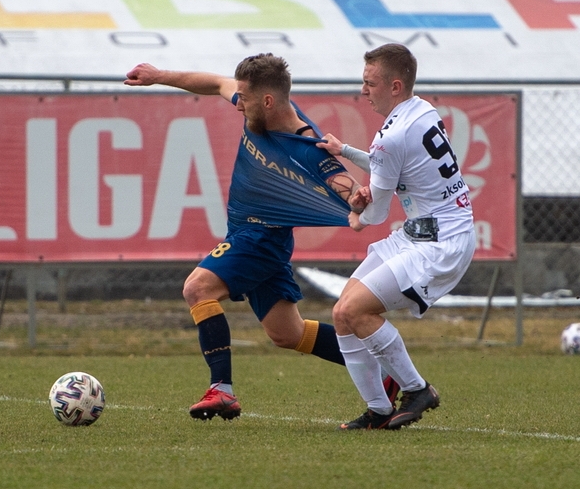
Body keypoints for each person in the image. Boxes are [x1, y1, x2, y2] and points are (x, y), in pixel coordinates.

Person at [124, 54, 398, 420]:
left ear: (267, 101)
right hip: (250, 234)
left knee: (198, 288)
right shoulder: (256, 107)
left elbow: (344, 184)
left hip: (260, 238)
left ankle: (221, 390)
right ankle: (386, 378)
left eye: (245, 99)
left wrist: (358, 198)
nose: (239, 105)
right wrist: (159, 76)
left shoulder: (307, 148)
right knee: (288, 334)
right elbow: (214, 83)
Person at [317, 43, 476, 429]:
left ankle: (417, 389)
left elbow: (376, 212)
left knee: (356, 311)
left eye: (370, 83)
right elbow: (393, 164)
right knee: (342, 314)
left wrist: (356, 214)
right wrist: (346, 151)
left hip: (439, 243)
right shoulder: (420, 110)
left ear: (395, 85)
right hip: (420, 233)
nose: (363, 90)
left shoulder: (389, 137)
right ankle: (379, 410)